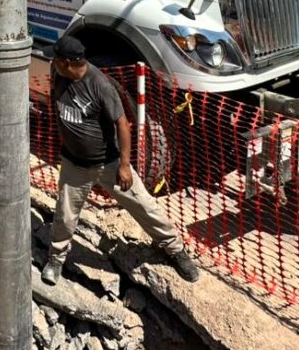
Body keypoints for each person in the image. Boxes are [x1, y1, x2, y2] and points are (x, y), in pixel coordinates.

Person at [42, 36, 199, 285]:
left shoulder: (100, 85)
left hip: (109, 164)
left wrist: (124, 166)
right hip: (74, 164)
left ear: (68, 62)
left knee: (145, 206)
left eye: (56, 59)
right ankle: (56, 259)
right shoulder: (58, 73)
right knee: (65, 214)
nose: (53, 62)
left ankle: (175, 250)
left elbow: (123, 124)